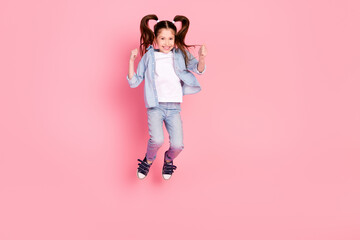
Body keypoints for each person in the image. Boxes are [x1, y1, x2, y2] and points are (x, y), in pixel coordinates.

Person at [127, 14, 207, 180]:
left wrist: (202, 57)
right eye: (162, 38)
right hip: (155, 106)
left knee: (178, 145)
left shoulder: (180, 54)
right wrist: (131, 61)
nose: (167, 42)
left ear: (175, 38)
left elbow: (198, 69)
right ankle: (148, 160)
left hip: (174, 108)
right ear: (155, 38)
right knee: (156, 140)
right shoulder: (149, 56)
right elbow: (135, 81)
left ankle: (168, 159)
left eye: (170, 38)